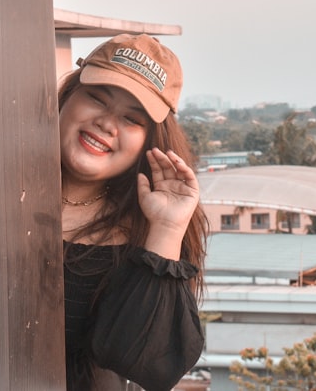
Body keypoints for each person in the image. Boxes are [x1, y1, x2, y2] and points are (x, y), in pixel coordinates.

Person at [59, 33, 208, 391]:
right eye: (97, 98)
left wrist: (167, 229)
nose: (107, 124)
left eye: (132, 119)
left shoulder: (143, 239)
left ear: (149, 142)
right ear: (66, 98)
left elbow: (149, 366)